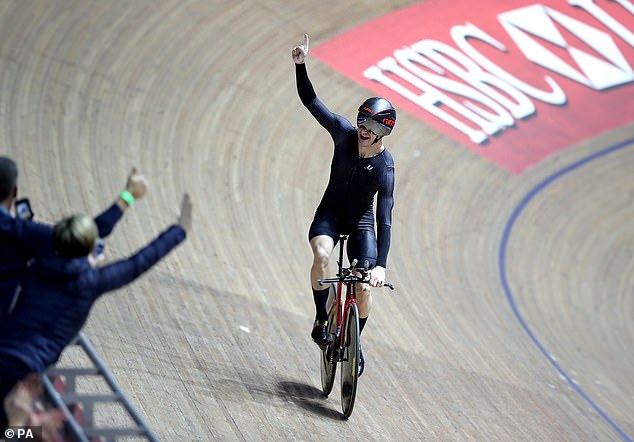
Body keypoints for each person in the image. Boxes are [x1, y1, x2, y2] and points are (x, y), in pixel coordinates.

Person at [0, 189, 193, 431]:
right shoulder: (88, 283)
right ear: (90, 248)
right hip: (24, 370)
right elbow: (137, 263)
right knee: (15, 433)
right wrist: (180, 229)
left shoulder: (40, 258)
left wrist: (128, 196)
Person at [292, 34, 396, 376]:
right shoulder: (342, 133)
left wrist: (380, 265)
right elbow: (312, 102)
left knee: (364, 286)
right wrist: (301, 65)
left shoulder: (385, 168)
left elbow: (384, 218)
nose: (364, 130)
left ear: (384, 132)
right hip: (331, 215)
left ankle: (355, 343)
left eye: (373, 126)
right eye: (362, 121)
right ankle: (322, 317)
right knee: (322, 255)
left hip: (362, 224)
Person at [0, 156, 148, 319]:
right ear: (15, 191)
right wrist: (128, 195)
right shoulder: (21, 231)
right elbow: (86, 233)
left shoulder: (23, 230)